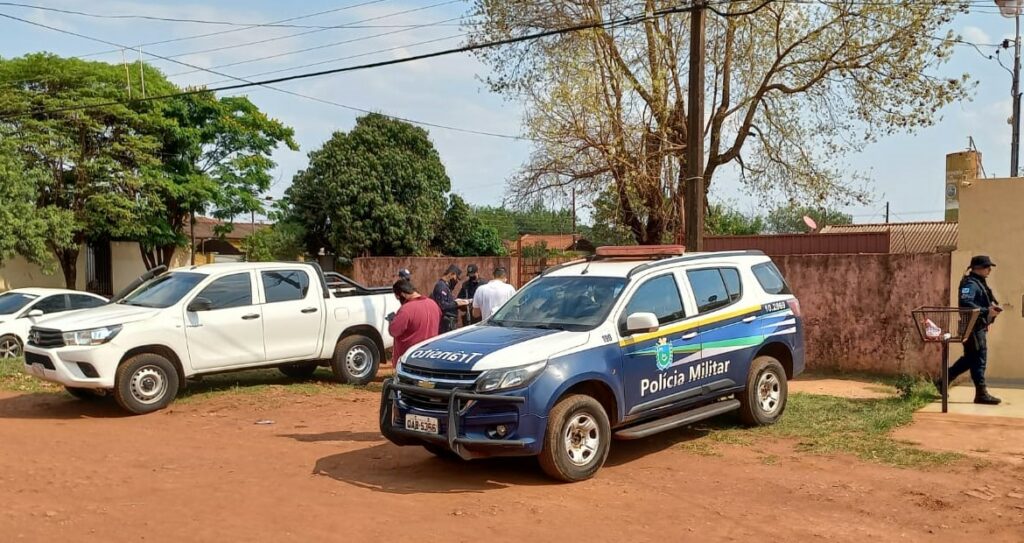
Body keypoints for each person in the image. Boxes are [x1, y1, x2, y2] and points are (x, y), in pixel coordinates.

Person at [936, 255, 1003, 405]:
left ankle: (943, 381)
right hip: (972, 327)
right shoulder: (970, 284)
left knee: (970, 359)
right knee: (979, 359)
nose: (989, 270)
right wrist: (987, 311)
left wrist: (990, 313)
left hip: (976, 326)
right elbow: (966, 303)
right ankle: (981, 393)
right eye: (987, 267)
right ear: (977, 268)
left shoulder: (978, 282)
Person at [386, 280, 441, 364]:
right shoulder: (433, 304)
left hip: (409, 359)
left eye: (397, 297)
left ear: (402, 294)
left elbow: (394, 331)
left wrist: (392, 321)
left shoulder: (406, 310)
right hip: (430, 356)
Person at [432, 265, 468, 333]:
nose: (456, 281)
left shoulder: (446, 286)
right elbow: (442, 305)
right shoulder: (441, 286)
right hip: (445, 323)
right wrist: (456, 303)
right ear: (451, 274)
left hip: (450, 322)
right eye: (456, 278)